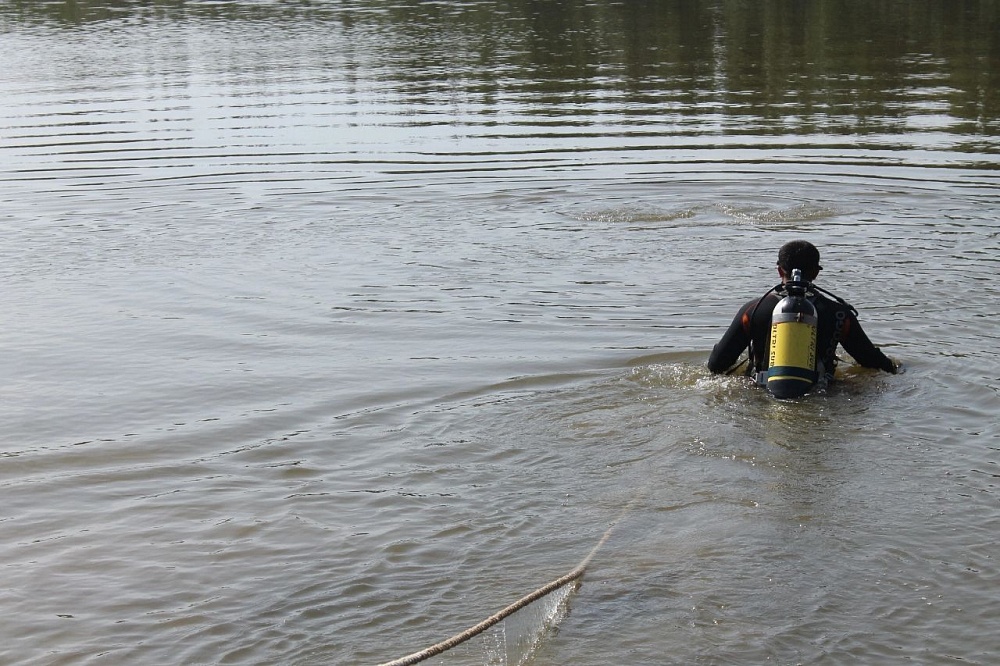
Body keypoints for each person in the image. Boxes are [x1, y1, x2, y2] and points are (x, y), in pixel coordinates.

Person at [707, 240, 898, 387]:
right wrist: (901, 367)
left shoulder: (752, 310)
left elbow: (716, 364)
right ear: (816, 273)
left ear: (779, 270)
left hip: (763, 393)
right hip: (820, 394)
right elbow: (873, 363)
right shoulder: (839, 314)